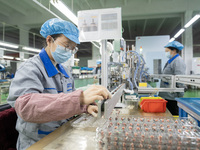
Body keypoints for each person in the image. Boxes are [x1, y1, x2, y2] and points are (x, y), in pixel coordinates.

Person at [7, 18, 111, 150]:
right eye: (67, 45)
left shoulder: (65, 72)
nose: (69, 51)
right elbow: (26, 106)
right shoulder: (31, 68)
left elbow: (68, 102)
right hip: (37, 142)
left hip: (62, 135)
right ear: (49, 40)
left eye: (73, 48)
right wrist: (79, 98)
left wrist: (84, 107)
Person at [159, 41, 186, 115]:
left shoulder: (178, 61)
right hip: (167, 95)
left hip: (172, 97)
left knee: (173, 115)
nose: (166, 53)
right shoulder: (171, 61)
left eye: (167, 51)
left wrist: (180, 97)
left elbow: (180, 79)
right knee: (167, 115)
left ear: (174, 51)